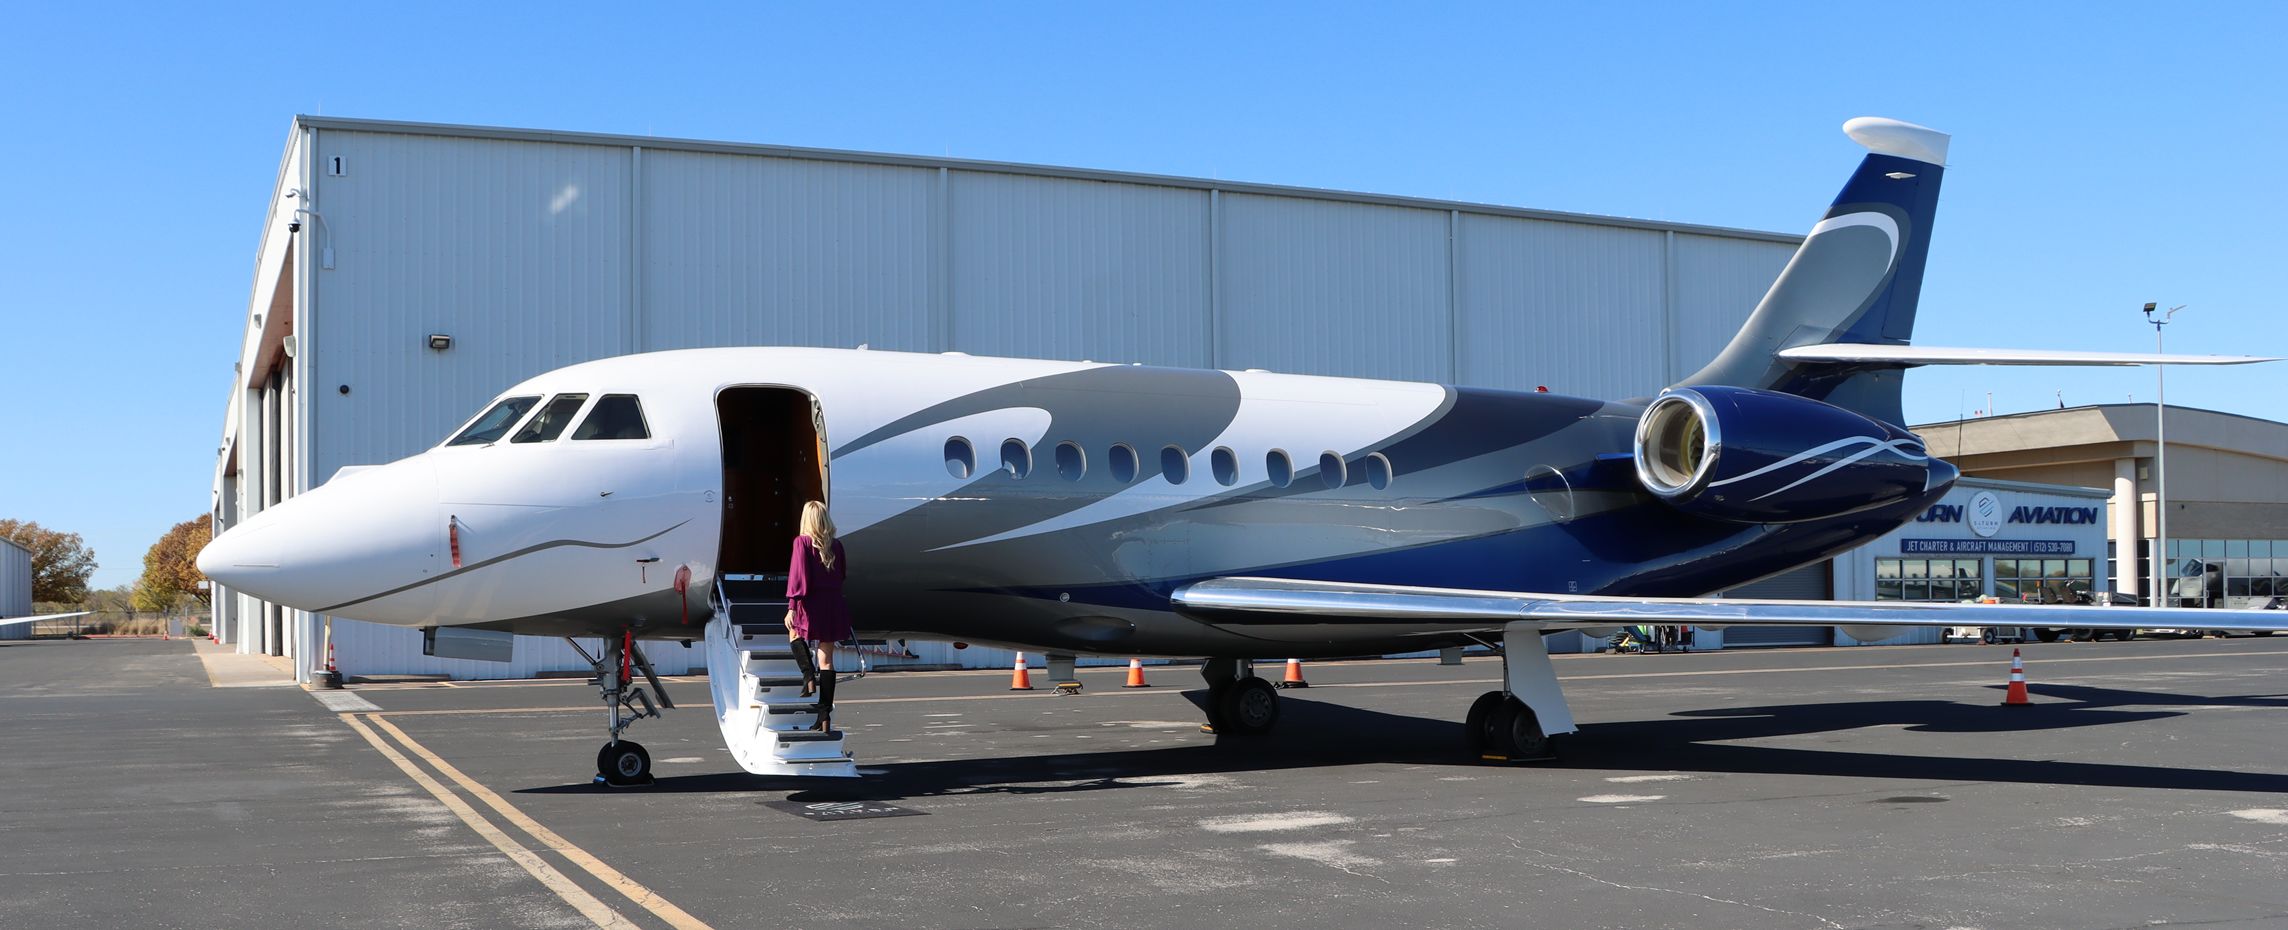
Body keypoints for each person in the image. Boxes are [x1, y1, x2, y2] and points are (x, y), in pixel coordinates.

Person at [785, 501, 851, 731]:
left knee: (793, 634)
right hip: (833, 603)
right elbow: (842, 574)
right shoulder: (838, 545)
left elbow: (798, 576)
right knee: (827, 660)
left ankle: (808, 676)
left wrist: (792, 605)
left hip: (810, 602)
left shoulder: (801, 543)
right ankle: (824, 716)